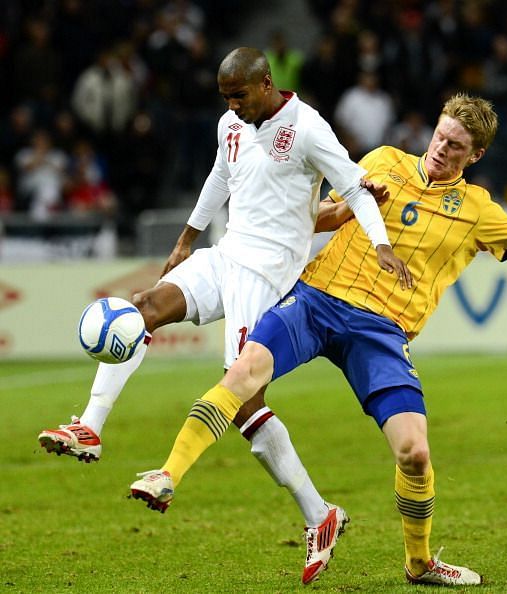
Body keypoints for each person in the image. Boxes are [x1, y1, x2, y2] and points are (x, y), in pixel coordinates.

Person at [129, 93, 507, 586]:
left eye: (455, 147)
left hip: (381, 332)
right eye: (439, 135)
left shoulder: (477, 210)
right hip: (316, 299)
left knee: (415, 452)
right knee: (242, 374)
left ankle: (420, 562)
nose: (440, 149)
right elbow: (314, 218)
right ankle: (167, 474)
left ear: (476, 156)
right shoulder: (384, 161)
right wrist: (347, 210)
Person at [38, 47, 411, 585]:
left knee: (242, 402)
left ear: (265, 83)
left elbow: (353, 188)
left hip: (266, 276)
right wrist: (187, 239)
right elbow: (219, 177)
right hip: (225, 254)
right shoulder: (230, 124)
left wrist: (379, 244)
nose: (232, 107)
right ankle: (90, 427)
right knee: (141, 307)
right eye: (225, 99)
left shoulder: (307, 128)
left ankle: (319, 513)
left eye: (239, 96)